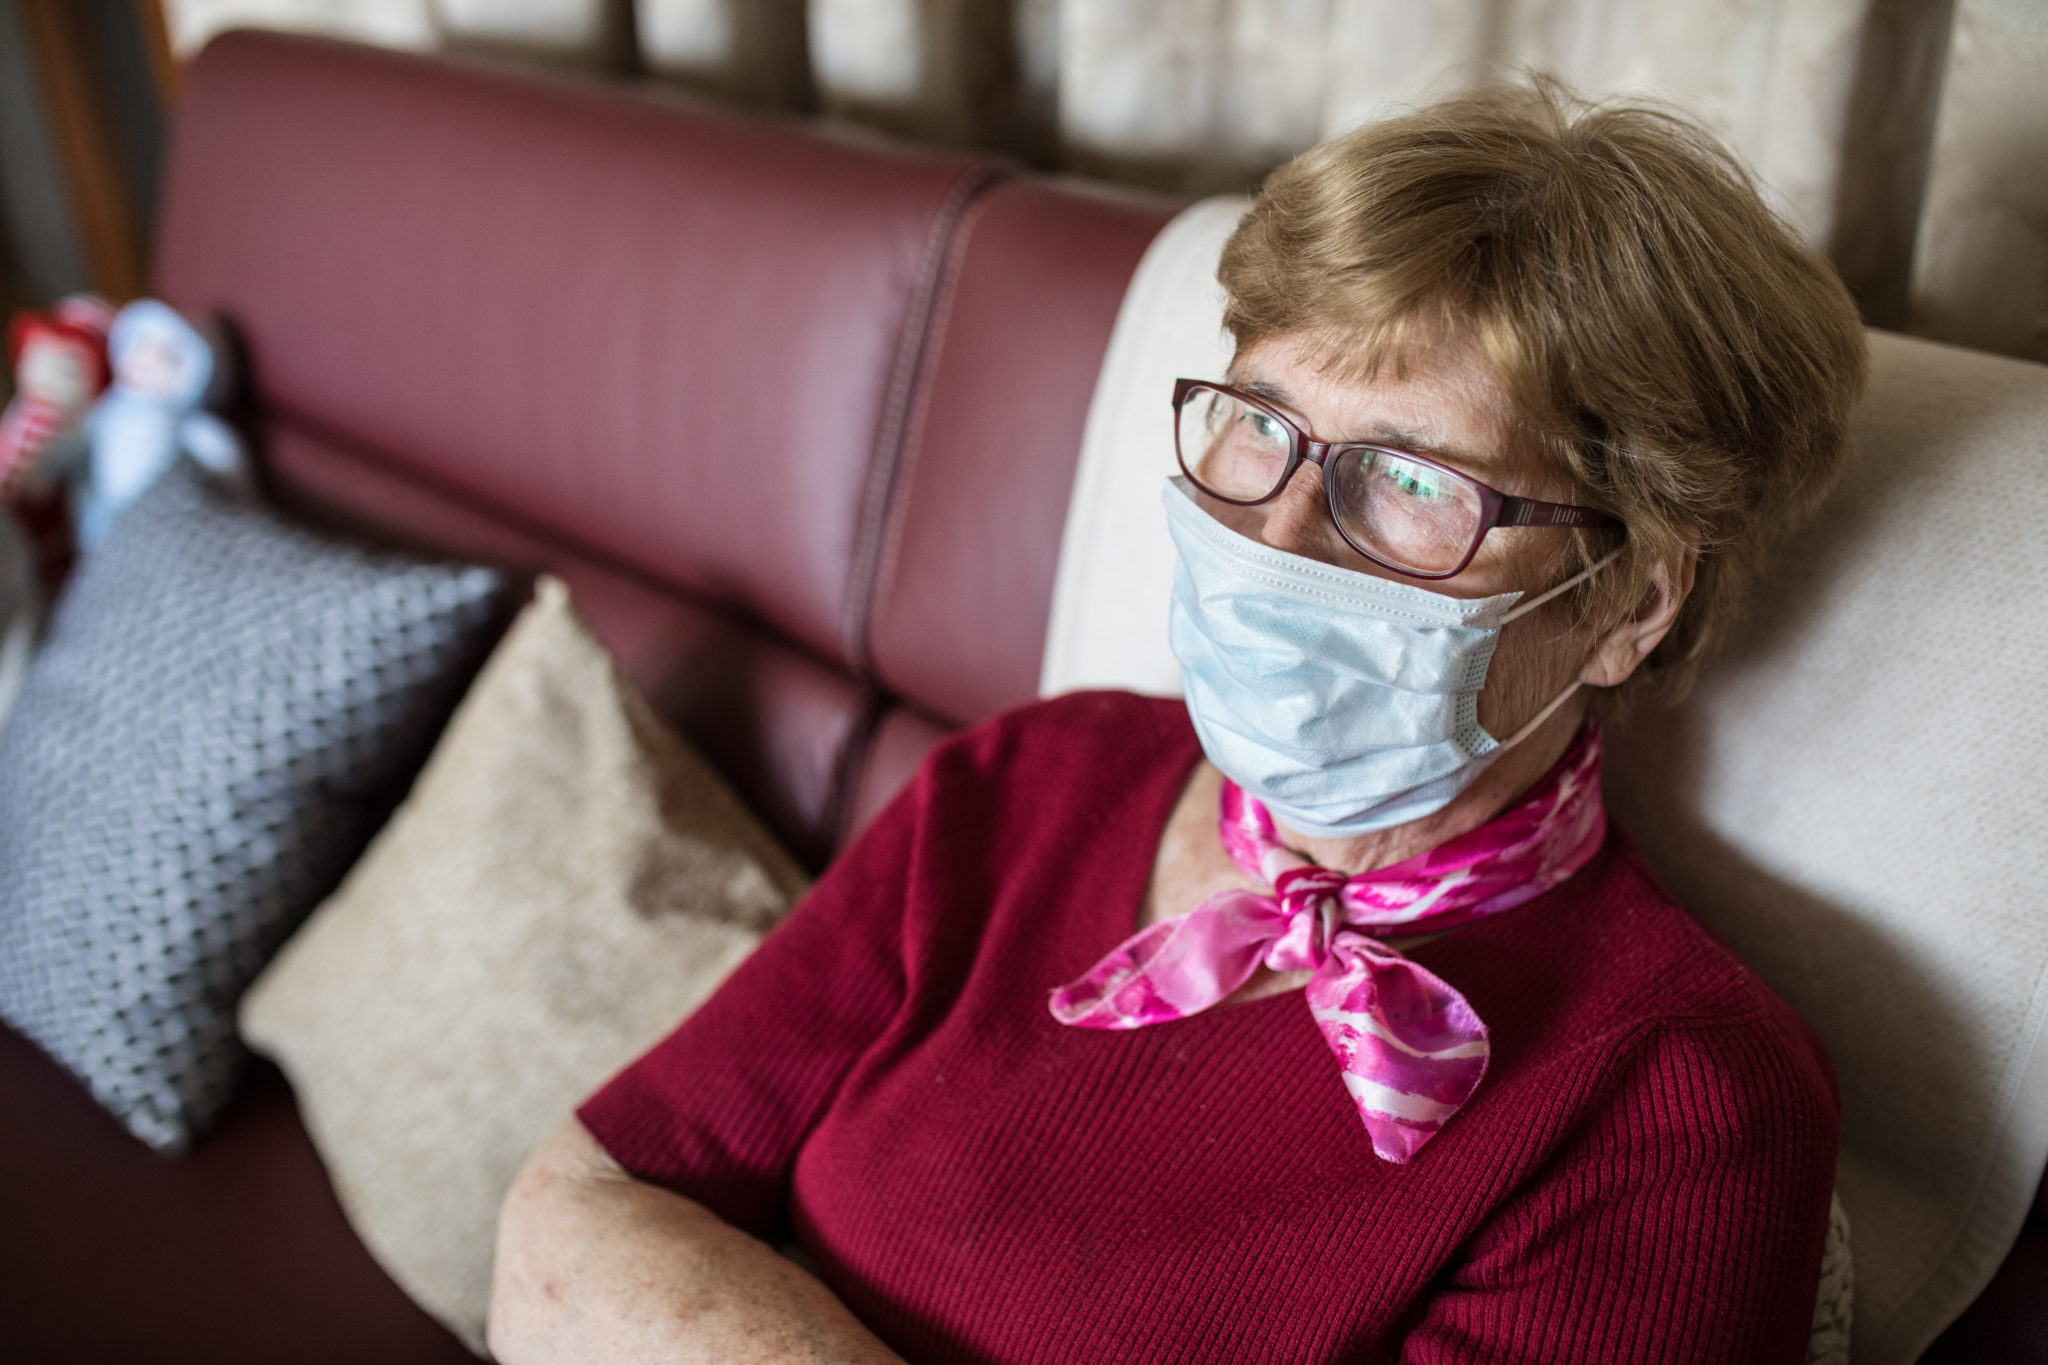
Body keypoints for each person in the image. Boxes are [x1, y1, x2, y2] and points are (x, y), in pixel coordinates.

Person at [488, 77, 1865, 1364]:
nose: (1276, 529)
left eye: (1409, 482)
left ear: (1629, 598)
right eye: (1258, 422)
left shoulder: (1681, 1111)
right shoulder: (1034, 774)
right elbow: (578, 1208)